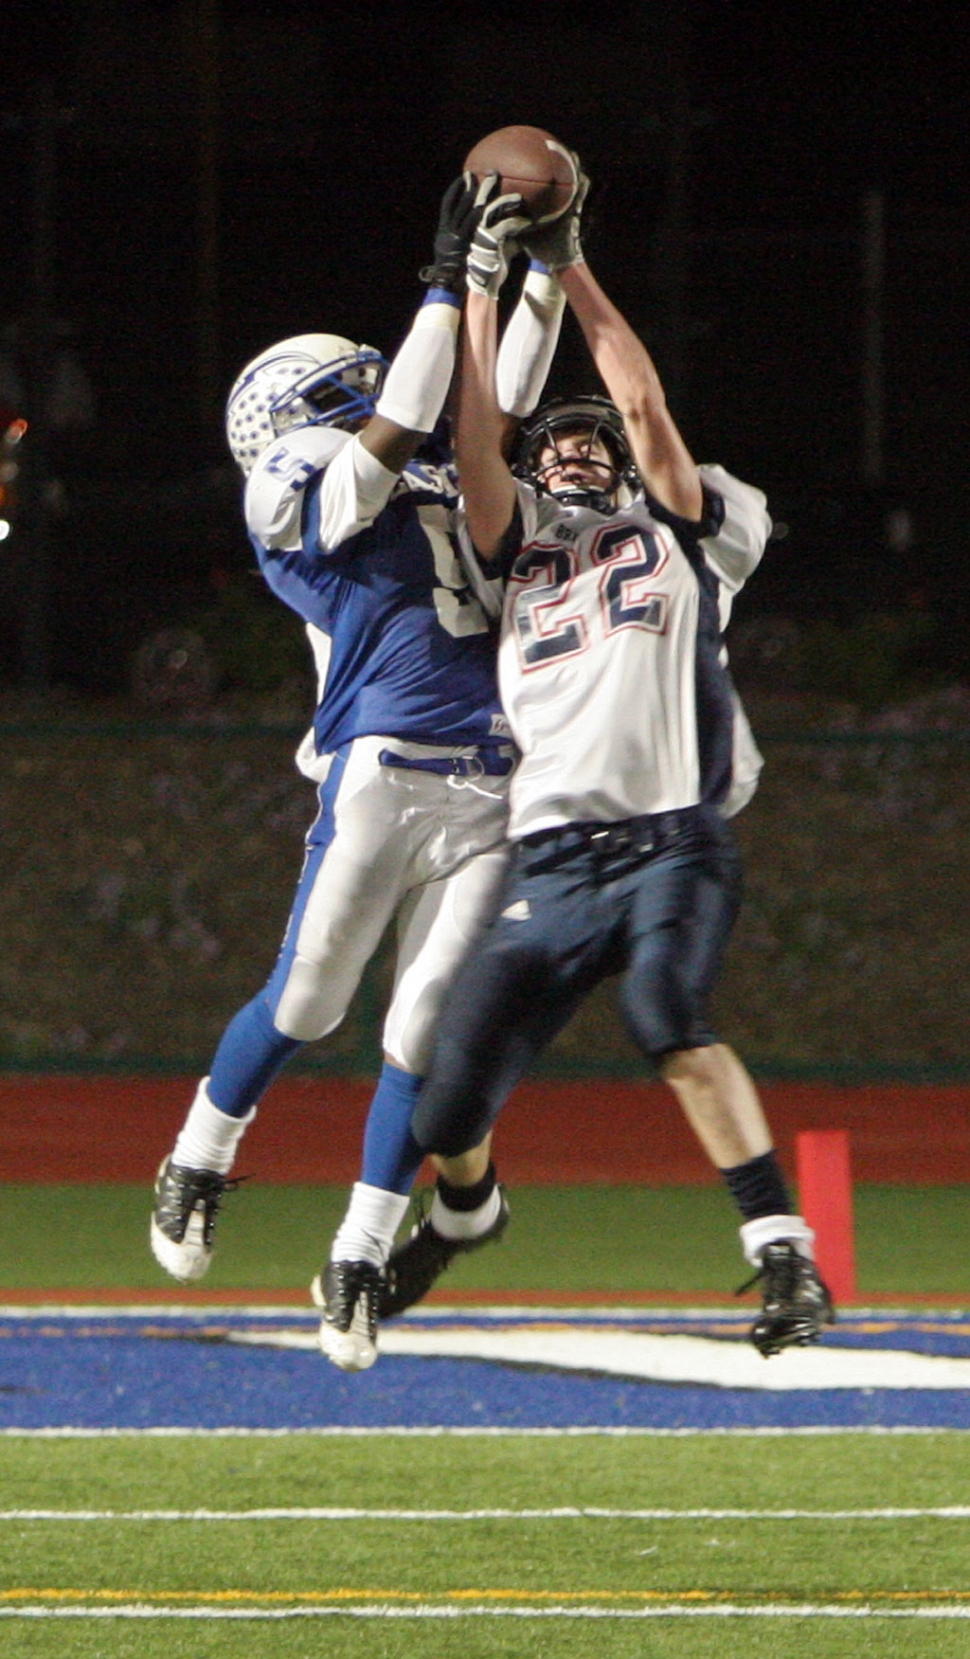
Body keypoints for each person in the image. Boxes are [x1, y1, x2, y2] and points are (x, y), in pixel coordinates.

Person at [341, 166, 834, 1364]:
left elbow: (646, 410)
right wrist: (466, 287)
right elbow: (473, 441)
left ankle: (784, 1252)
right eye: (551, 445)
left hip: (670, 837)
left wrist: (565, 263)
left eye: (583, 442)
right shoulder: (515, 556)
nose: (568, 455)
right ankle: (467, 1209)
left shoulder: (684, 527)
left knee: (668, 1012)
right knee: (448, 1099)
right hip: (551, 858)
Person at [149, 175, 569, 1371]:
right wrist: (449, 282)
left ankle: (356, 1257)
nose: (375, 385)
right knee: (309, 1002)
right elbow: (387, 436)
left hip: (496, 782)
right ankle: (200, 1156)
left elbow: (497, 392)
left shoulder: (442, 466)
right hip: (382, 767)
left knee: (423, 1031)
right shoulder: (289, 487)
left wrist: (529, 272)